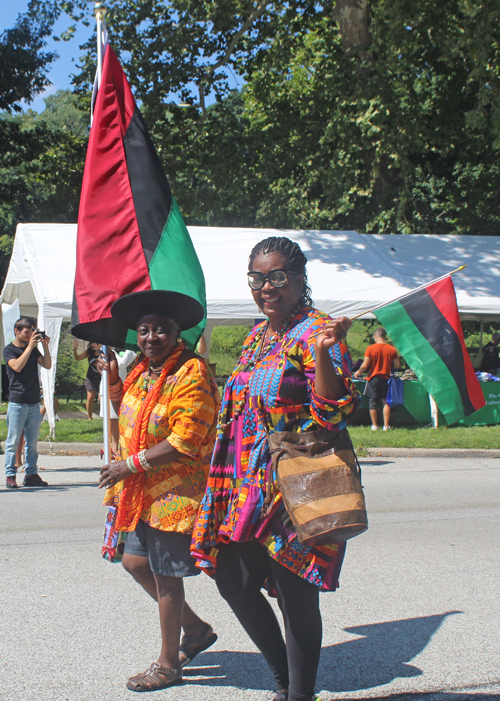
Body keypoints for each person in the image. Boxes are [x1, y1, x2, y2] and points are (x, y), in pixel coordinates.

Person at [191, 237, 360, 701]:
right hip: (244, 482)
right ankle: (285, 680)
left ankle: (299, 694)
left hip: (293, 478)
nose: (267, 286)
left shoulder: (317, 331)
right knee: (233, 579)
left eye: (278, 276)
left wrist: (325, 352)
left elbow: (331, 414)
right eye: (258, 278)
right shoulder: (258, 336)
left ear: (301, 279)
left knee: (294, 589)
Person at [97, 290, 220, 692]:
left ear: (176, 331)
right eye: (144, 330)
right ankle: (197, 630)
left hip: (174, 494)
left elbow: (187, 437)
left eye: (161, 330)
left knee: (167, 578)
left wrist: (127, 465)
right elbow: (131, 408)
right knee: (134, 564)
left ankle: (168, 665)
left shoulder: (190, 371)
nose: (151, 337)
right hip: (140, 494)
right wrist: (115, 377)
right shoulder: (143, 370)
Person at [3, 318, 51, 488]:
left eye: (32, 331)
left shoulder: (34, 349)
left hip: (33, 402)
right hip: (17, 402)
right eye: (27, 331)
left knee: (32, 443)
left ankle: (31, 474)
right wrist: (30, 346)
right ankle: (10, 474)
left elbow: (47, 364)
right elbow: (16, 366)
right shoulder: (9, 350)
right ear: (17, 331)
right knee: (13, 440)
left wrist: (44, 345)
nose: (30, 334)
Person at [353, 327, 400, 431]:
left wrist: (359, 371)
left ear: (375, 336)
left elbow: (365, 365)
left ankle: (374, 425)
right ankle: (386, 425)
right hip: (386, 378)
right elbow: (397, 365)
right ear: (384, 336)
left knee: (372, 401)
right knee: (386, 402)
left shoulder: (370, 348)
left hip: (373, 378)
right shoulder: (392, 349)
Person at [99, 348, 137, 455]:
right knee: (112, 419)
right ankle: (111, 447)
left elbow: (125, 361)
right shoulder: (106, 350)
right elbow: (122, 363)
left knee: (115, 419)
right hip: (109, 388)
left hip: (119, 388)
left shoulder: (116, 351)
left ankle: (112, 446)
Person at [72, 340, 102, 420]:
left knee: (101, 398)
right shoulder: (89, 351)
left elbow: (106, 355)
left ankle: (104, 416)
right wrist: (74, 349)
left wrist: (99, 349)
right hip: (91, 377)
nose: (93, 344)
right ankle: (90, 417)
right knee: (90, 398)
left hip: (101, 377)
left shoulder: (103, 350)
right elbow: (77, 358)